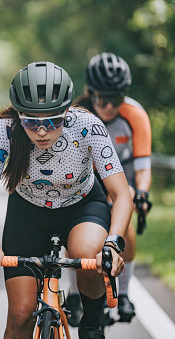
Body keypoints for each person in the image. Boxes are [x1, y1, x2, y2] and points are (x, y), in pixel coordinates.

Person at [0, 61, 133, 339]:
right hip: (28, 212)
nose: (42, 131)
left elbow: (121, 194)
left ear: (67, 111)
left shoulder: (88, 125)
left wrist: (113, 243)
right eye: (32, 123)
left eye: (53, 121)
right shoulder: (5, 130)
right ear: (19, 115)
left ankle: (92, 322)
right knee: (21, 315)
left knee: (87, 253)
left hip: (83, 206)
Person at [65, 52, 152, 325]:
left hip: (122, 181)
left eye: (117, 98)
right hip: (87, 181)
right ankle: (74, 292)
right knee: (73, 232)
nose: (110, 106)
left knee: (125, 223)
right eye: (103, 98)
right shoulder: (77, 116)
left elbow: (143, 166)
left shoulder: (135, 115)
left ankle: (123, 293)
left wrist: (143, 194)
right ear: (90, 93)